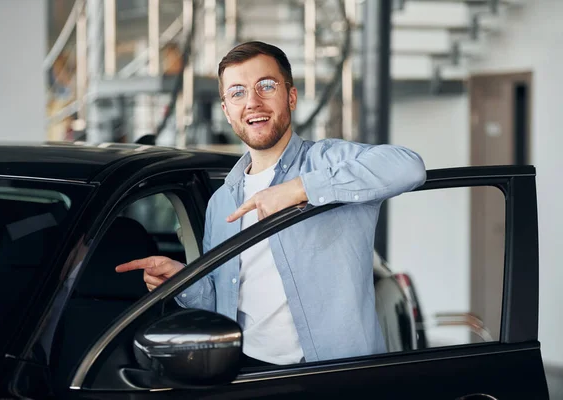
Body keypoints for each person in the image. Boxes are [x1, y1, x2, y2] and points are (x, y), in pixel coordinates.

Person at [116, 41, 426, 366]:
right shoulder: (221, 202)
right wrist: (182, 282)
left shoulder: (327, 161)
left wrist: (301, 188)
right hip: (249, 374)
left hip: (335, 377)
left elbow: (410, 167)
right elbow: (223, 303)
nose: (252, 102)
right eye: (237, 92)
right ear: (226, 110)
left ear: (290, 97)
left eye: (266, 86)